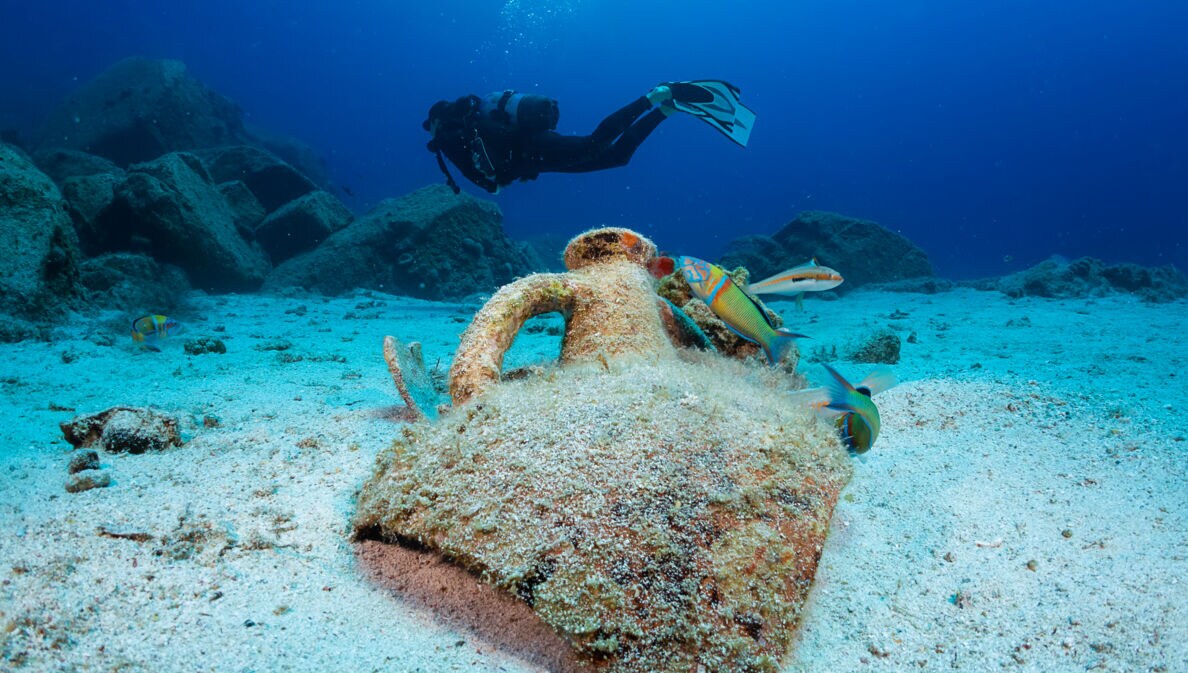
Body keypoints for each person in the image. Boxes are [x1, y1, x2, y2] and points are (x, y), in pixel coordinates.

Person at [422, 80, 755, 194]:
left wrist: (498, 180)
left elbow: (487, 180)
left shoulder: (449, 137)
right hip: (529, 156)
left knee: (593, 145)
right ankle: (668, 109)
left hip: (529, 151)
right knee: (615, 157)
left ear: (437, 119)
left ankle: (654, 96)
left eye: (430, 125)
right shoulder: (463, 126)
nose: (431, 132)